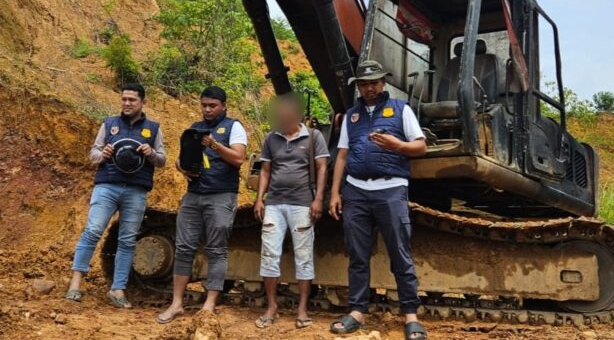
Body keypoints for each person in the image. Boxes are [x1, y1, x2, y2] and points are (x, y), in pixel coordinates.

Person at [328, 61, 429, 340]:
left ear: (383, 83)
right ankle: (357, 312)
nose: (369, 87)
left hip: (391, 189)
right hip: (356, 192)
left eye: (374, 82)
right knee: (357, 254)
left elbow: (420, 146)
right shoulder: (352, 116)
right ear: (358, 86)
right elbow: (343, 155)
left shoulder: (401, 110)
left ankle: (410, 316)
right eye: (363, 83)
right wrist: (335, 192)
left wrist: (398, 145)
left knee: (400, 252)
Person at [65, 83, 166, 308]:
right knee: (92, 231)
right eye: (124, 99)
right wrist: (103, 154)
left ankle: (118, 289)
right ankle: (75, 283)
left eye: (132, 100)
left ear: (143, 103)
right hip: (107, 186)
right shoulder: (109, 123)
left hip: (137, 190)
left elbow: (162, 160)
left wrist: (151, 154)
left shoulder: (153, 128)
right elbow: (93, 153)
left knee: (128, 239)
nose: (127, 103)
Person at [157, 86, 247, 324]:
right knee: (184, 248)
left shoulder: (234, 127)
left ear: (224, 106)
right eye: (204, 105)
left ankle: (210, 303)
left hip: (221, 196)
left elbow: (238, 159)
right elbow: (180, 158)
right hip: (193, 195)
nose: (207, 110)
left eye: (212, 106)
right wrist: (182, 168)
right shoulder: (194, 129)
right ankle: (176, 304)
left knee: (216, 249)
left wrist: (214, 145)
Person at [253, 93, 330, 329]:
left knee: (304, 256)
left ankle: (303, 308)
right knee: (269, 254)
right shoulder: (271, 138)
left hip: (301, 203)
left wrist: (317, 199)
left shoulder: (314, 137)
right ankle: (272, 306)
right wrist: (259, 199)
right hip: (275, 203)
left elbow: (322, 168)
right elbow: (266, 170)